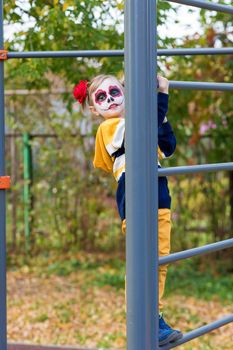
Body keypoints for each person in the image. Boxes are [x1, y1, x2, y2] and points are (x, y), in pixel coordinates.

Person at [73, 74, 183, 346]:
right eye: (101, 97)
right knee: (143, 258)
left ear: (125, 92)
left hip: (158, 194)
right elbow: (143, 135)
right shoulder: (109, 128)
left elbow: (168, 147)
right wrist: (162, 95)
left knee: (160, 260)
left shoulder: (139, 123)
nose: (109, 99)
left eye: (115, 91)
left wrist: (159, 110)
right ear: (93, 109)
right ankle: (145, 319)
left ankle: (153, 318)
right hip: (135, 190)